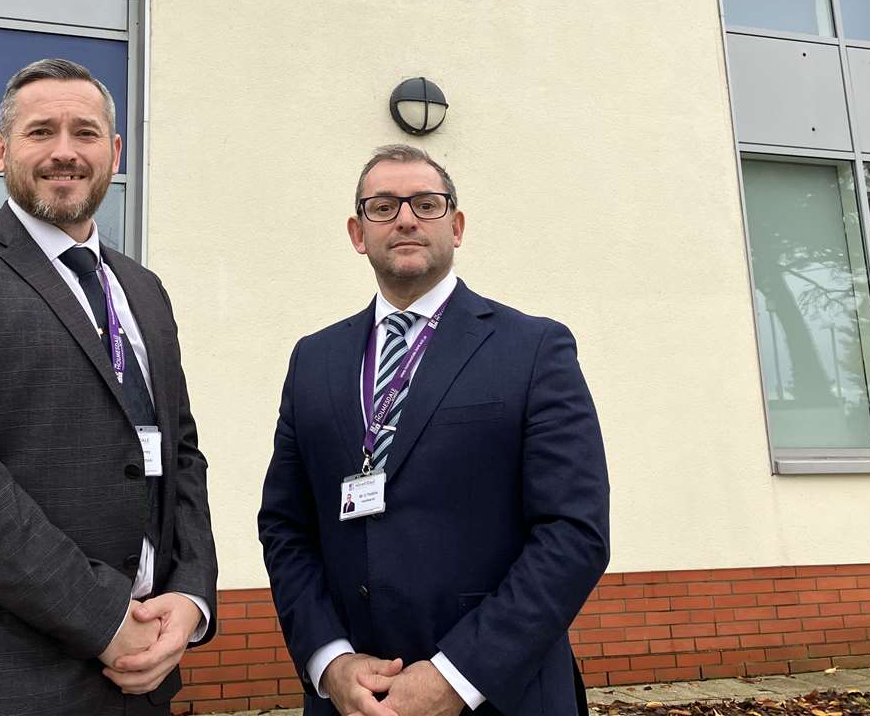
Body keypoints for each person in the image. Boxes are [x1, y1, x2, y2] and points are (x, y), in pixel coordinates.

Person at [0, 58, 217, 716]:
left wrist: (191, 594)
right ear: (2, 150)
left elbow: (181, 453)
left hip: (142, 675)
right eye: (41, 132)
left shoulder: (143, 290)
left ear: (115, 153)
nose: (65, 152)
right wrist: (105, 616)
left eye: (85, 133)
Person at [258, 144, 610, 716]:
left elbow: (574, 532)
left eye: (426, 203)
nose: (405, 218)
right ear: (357, 232)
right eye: (383, 207)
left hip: (500, 695)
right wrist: (330, 660)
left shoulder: (535, 348)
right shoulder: (313, 360)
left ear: (457, 225)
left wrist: (459, 674)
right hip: (354, 700)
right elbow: (285, 526)